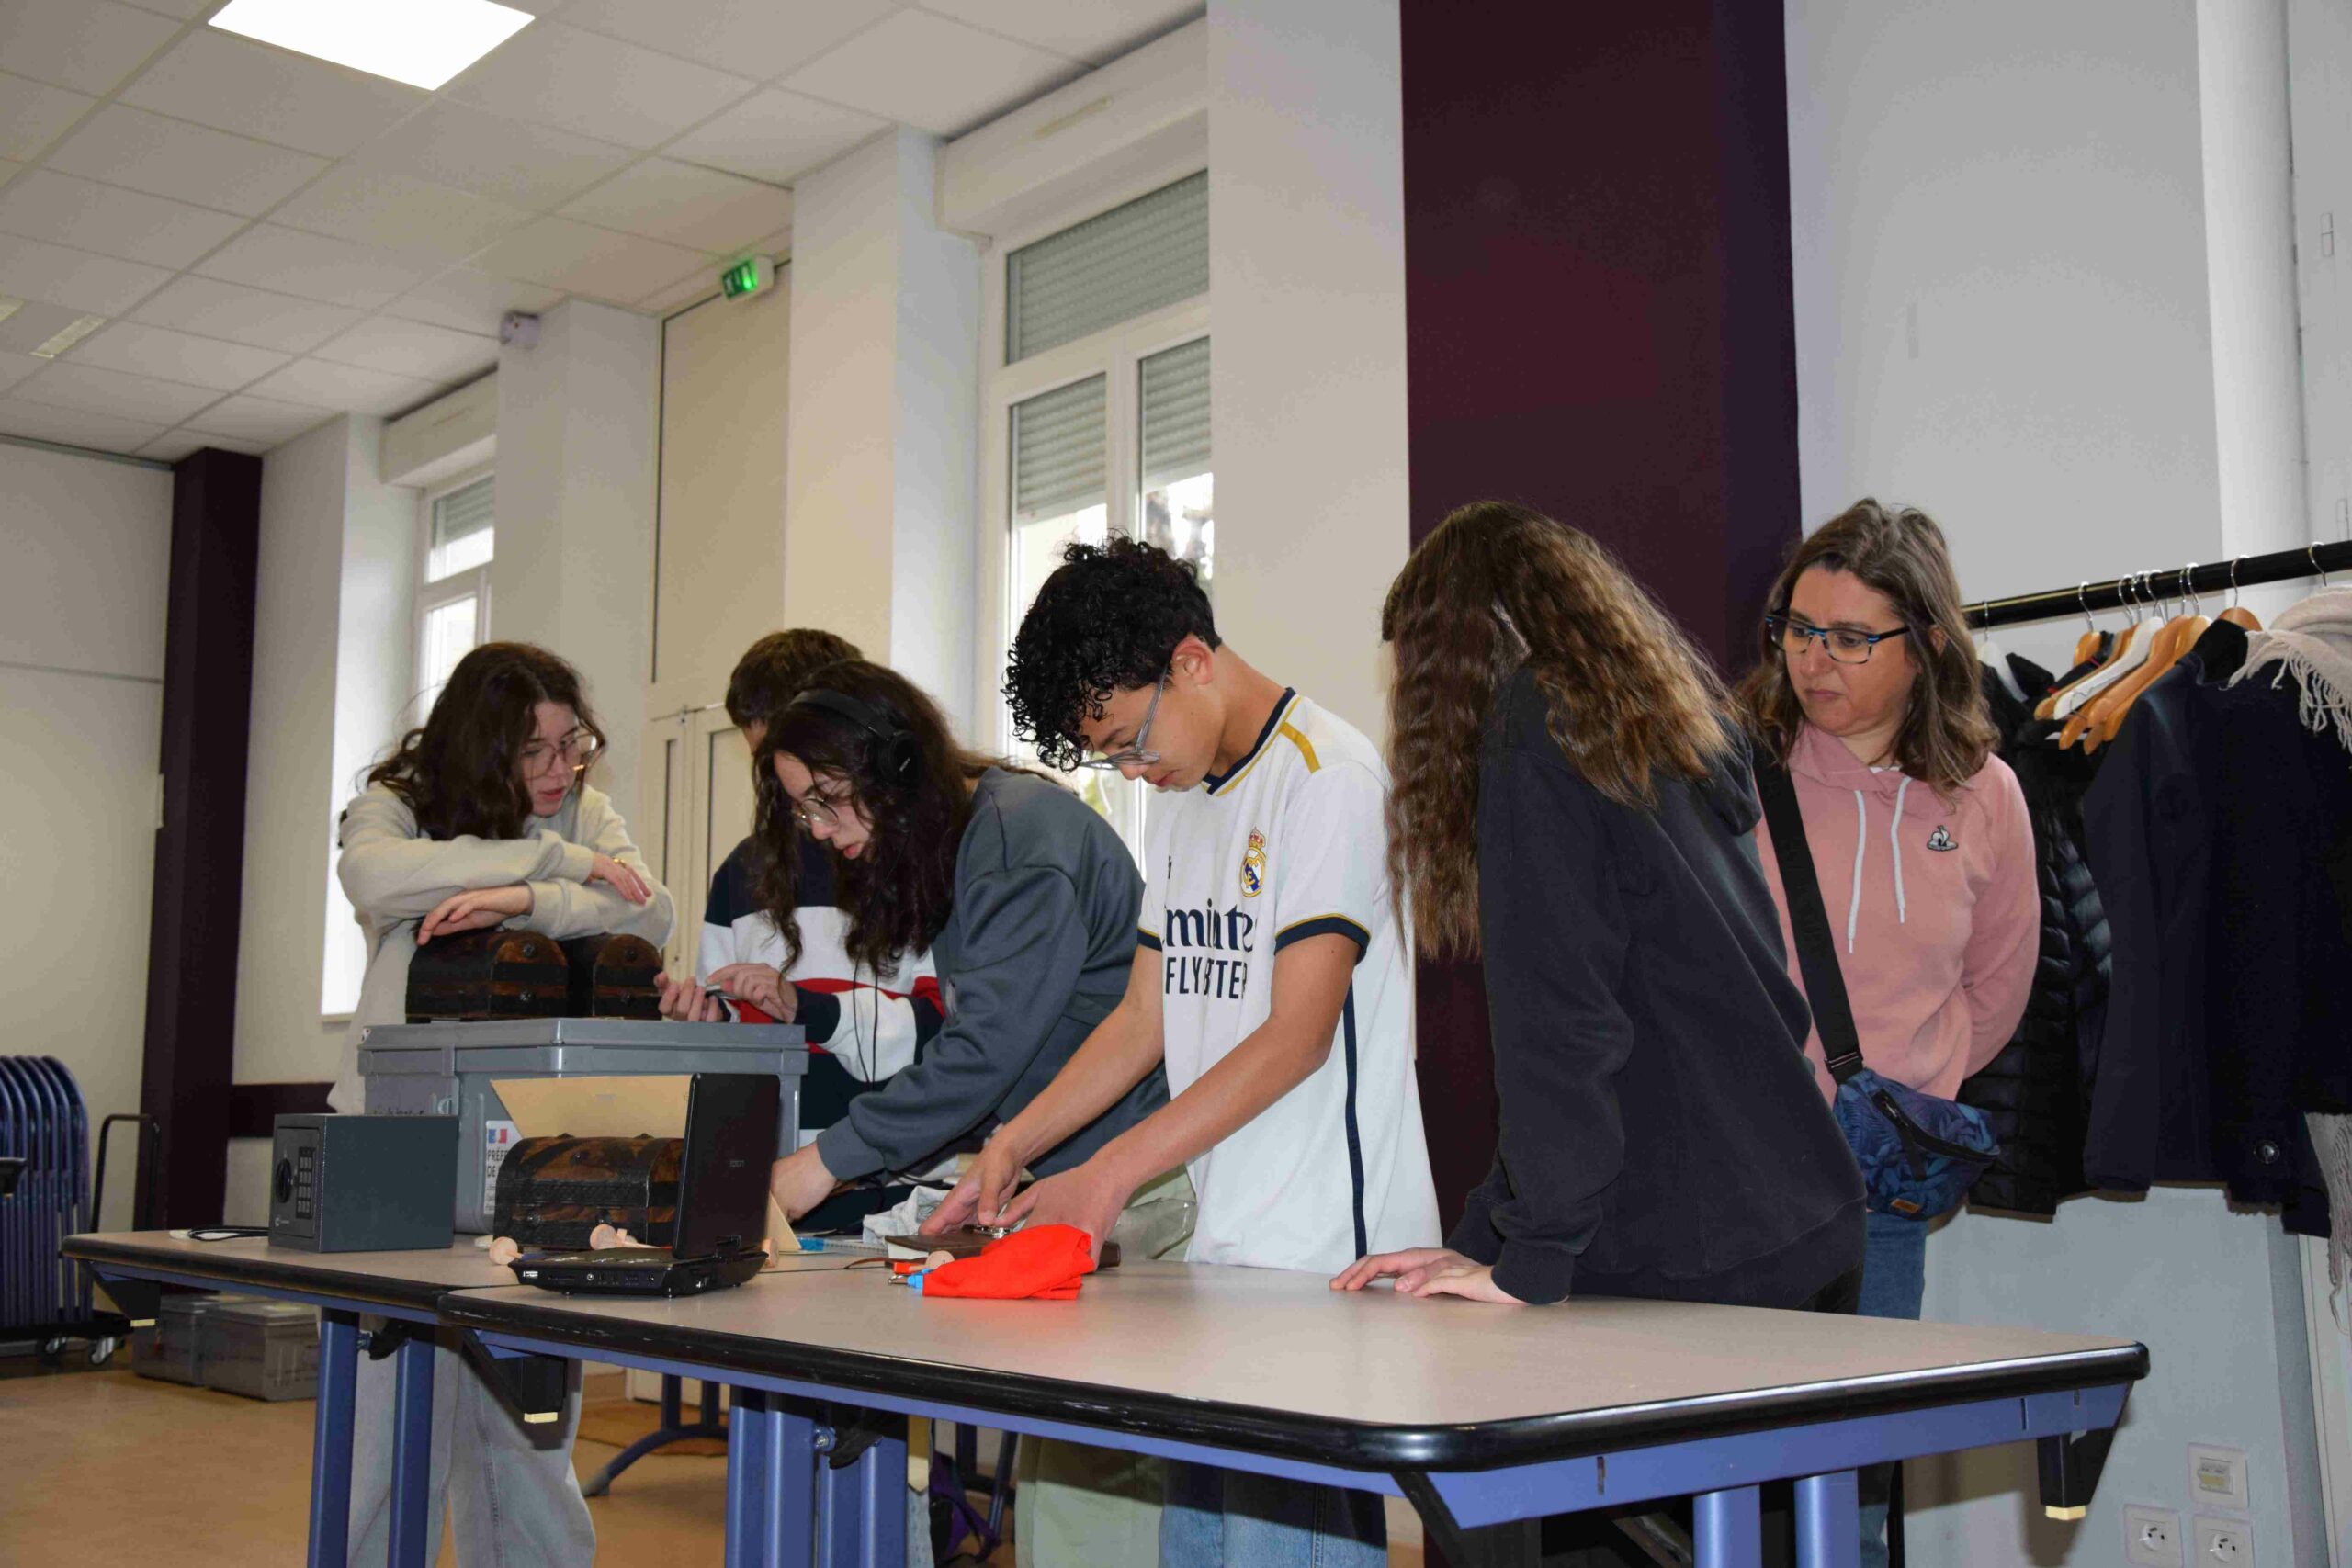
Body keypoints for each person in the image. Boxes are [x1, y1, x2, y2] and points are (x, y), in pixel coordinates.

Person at [941, 536, 1439, 1568]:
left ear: (1191, 662)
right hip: (1227, 1256)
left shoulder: (1328, 778)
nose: (1132, 769)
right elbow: (1143, 1016)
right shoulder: (1180, 805)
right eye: (1109, 757)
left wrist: (1108, 1173)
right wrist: (1015, 1142)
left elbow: (1298, 1037)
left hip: (1329, 1267)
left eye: (1128, 740)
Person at [1337, 501, 1862, 1314]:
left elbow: (1563, 1024)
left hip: (1709, 1254)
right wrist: (1484, 1240)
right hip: (1796, 1211)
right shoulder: (1650, 725)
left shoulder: (1533, 723)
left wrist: (1530, 1257)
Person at [1735, 500, 2037, 1568]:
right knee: (1719, 1480)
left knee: (1849, 1495)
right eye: (1798, 628)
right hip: (1734, 1182)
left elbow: (1995, 991)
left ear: (1927, 647)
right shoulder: (1733, 770)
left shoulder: (1986, 796)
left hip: (1878, 1197)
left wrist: (1904, 1080)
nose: (1814, 660)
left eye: (1851, 638)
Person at [333, 640, 672, 1568]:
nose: (560, 770)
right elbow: (373, 877)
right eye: (534, 751)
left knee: (526, 1432)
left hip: (531, 1138)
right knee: (384, 1435)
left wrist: (521, 897)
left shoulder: (588, 807)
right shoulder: (399, 804)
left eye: (572, 745)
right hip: (393, 1136)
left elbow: (651, 913)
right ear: (485, 749)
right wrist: (564, 863)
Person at [749, 659, 1178, 1235]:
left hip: (1142, 1177)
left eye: (827, 798)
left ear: (897, 767)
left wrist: (824, 1163)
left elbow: (985, 1052)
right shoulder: (969, 846)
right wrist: (857, 1165)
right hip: (1090, 1169)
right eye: (806, 811)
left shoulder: (1014, 844)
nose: (820, 829)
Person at [654, 630, 945, 1206]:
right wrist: (705, 1023)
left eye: (811, 782)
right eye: (770, 770)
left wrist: (809, 1009)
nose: (788, 798)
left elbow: (946, 1037)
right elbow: (731, 1045)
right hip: (780, 1180)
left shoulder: (920, 862)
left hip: (903, 1183)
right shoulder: (740, 873)